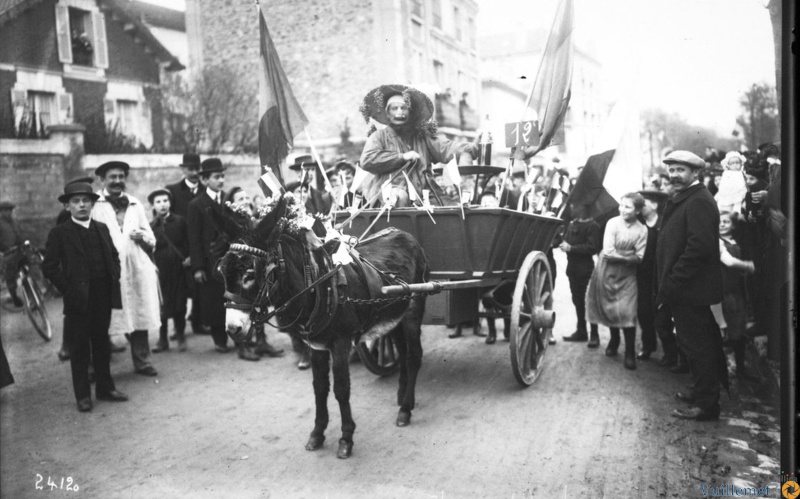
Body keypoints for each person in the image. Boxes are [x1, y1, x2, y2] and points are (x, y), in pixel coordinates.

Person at [42, 182, 128, 412]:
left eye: (85, 201)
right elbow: (49, 267)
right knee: (80, 347)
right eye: (76, 201)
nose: (82, 205)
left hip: (102, 294)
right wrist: (68, 288)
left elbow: (113, 255)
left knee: (101, 343)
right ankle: (83, 395)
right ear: (67, 206)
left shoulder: (101, 227)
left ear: (92, 203)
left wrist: (114, 274)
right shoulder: (60, 233)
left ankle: (105, 388)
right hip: (78, 298)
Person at [657, 150, 727, 421]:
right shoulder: (687, 196)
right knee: (697, 344)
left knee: (698, 346)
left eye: (680, 170)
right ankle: (701, 392)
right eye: (671, 169)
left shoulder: (698, 200)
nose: (673, 174)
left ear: (695, 173)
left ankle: (707, 405)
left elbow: (700, 247)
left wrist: (673, 281)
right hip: (688, 289)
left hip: (690, 290)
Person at [91, 161, 160, 377]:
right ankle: (97, 367)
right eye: (112, 177)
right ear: (102, 180)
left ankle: (142, 361)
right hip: (108, 270)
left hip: (135, 267)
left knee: (139, 312)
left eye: (121, 176)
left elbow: (151, 238)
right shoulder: (95, 204)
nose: (117, 181)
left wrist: (143, 238)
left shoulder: (134, 204)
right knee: (103, 317)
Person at [359, 84, 478, 207]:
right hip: (392, 196)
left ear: (411, 113)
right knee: (399, 198)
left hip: (426, 194)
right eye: (394, 108)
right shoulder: (379, 136)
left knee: (456, 211)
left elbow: (446, 147)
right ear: (387, 113)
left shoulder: (423, 137)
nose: (399, 112)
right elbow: (367, 160)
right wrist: (402, 157)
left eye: (404, 108)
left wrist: (472, 147)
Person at [585, 193, 647, 370]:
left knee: (628, 312)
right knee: (609, 307)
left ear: (637, 210)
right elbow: (609, 252)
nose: (622, 209)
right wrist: (629, 255)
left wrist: (629, 257)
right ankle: (614, 339)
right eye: (621, 205)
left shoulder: (642, 230)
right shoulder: (612, 223)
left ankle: (629, 352)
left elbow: (640, 257)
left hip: (628, 276)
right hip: (606, 271)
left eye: (627, 207)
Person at [186, 158, 233, 355]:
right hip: (209, 260)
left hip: (231, 259)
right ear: (205, 180)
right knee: (214, 300)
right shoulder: (196, 204)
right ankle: (219, 338)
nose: (221, 180)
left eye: (222, 176)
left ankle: (238, 335)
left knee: (233, 296)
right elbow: (194, 238)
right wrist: (197, 267)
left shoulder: (229, 200)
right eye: (216, 177)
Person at [166, 153, 205, 336]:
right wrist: (182, 253)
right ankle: (178, 327)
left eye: (198, 169)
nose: (195, 172)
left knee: (199, 287)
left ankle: (198, 323)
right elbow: (169, 223)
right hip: (180, 249)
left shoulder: (206, 191)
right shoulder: (172, 191)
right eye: (191, 169)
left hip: (199, 246)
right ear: (183, 170)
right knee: (178, 288)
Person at [716, 211, 757, 381]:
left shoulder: (735, 242)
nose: (722, 224)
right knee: (721, 333)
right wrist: (747, 265)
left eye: (726, 222)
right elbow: (729, 261)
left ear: (733, 225)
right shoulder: (717, 241)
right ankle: (718, 373)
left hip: (735, 291)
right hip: (722, 291)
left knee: (739, 332)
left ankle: (740, 368)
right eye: (719, 222)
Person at [148, 189, 189, 353]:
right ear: (153, 205)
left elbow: (188, 241)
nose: (162, 204)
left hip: (179, 268)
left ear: (170, 203)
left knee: (180, 303)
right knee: (162, 304)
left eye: (165, 201)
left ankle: (180, 336)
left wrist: (189, 257)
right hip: (161, 270)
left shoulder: (180, 221)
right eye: (158, 202)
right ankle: (162, 338)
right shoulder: (151, 226)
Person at [559, 202, 601, 346]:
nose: (572, 207)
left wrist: (571, 248)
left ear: (584, 207)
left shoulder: (592, 226)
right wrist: (562, 242)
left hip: (585, 269)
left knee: (588, 301)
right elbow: (566, 240)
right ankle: (581, 331)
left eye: (575, 205)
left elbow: (592, 248)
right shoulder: (572, 224)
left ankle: (594, 335)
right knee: (577, 300)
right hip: (573, 269)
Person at [635, 190, 668, 361]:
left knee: (662, 313)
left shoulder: (665, 223)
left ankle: (670, 353)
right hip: (642, 274)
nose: (640, 207)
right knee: (643, 311)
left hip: (661, 275)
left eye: (644, 203)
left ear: (654, 205)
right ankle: (648, 345)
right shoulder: (638, 223)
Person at [0, 201, 24, 308]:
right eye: (6, 211)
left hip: (19, 250)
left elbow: (20, 235)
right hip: (8, 253)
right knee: (10, 275)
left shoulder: (14, 222)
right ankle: (14, 296)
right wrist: (5, 249)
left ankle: (33, 290)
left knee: (32, 262)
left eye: (10, 210)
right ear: (1, 212)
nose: (9, 213)